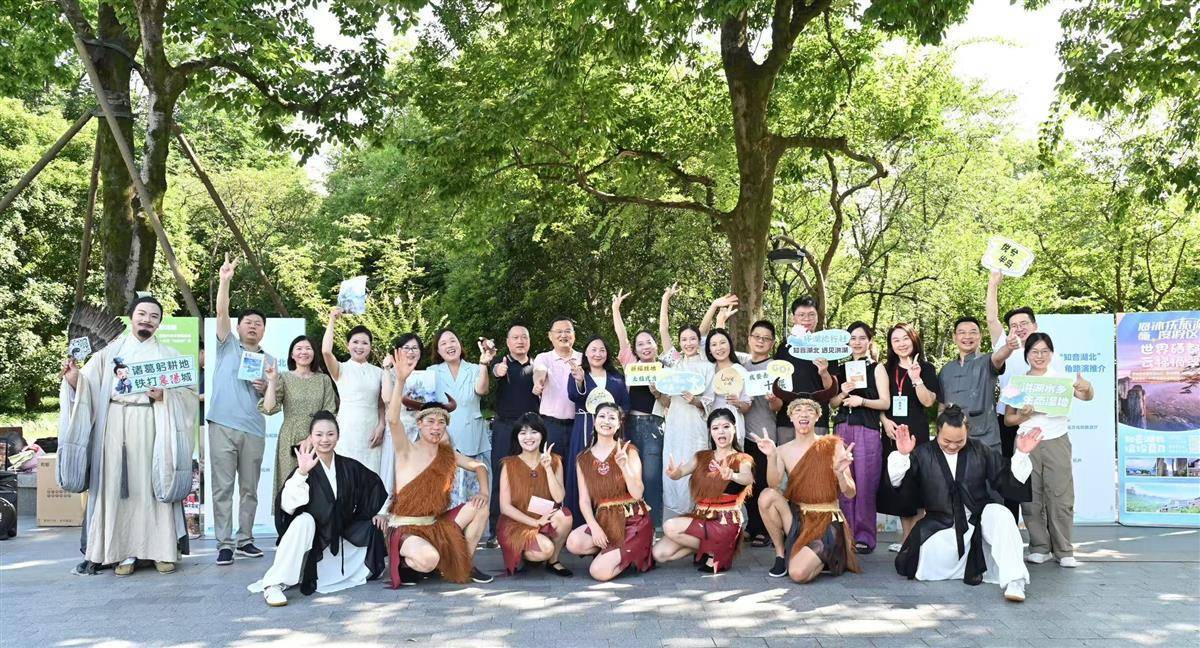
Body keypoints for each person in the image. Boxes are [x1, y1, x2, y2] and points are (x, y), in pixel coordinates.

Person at [58, 295, 198, 576]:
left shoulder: (169, 356)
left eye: (154, 316)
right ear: (132, 317)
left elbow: (189, 395)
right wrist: (73, 380)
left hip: (154, 425)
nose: (147, 320)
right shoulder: (108, 353)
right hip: (114, 425)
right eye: (142, 314)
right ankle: (122, 553)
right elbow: (87, 386)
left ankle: (161, 550)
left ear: (159, 323)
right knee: (116, 487)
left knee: (153, 485)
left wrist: (165, 396)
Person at [889, 405, 1043, 603]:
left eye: (959, 441)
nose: (953, 446)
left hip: (977, 521)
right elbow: (904, 490)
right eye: (946, 441)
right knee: (920, 565)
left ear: (967, 433)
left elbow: (1006, 481)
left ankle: (1015, 581)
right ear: (938, 432)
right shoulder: (923, 453)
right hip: (940, 525)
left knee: (1001, 514)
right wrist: (903, 456)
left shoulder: (980, 450)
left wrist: (1021, 454)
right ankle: (969, 568)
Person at [247, 411, 387, 606]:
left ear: (338, 436)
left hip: (337, 536)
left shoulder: (349, 466)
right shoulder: (304, 468)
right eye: (319, 434)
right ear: (311, 437)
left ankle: (317, 573)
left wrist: (376, 513)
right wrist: (302, 473)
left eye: (330, 434)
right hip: (310, 542)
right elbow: (287, 507)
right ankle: (274, 584)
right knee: (304, 521)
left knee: (371, 529)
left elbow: (373, 486)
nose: (325, 439)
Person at [384, 350, 492, 586]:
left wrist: (483, 492)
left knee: (481, 507)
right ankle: (407, 564)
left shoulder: (447, 454)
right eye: (430, 422)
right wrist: (400, 380)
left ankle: (465, 563)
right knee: (429, 560)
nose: (436, 427)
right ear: (419, 424)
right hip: (406, 526)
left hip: (435, 523)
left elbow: (479, 465)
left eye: (441, 422)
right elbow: (392, 420)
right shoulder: (406, 449)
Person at [1003, 333, 1093, 568]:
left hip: (1056, 440)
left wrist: (1087, 387)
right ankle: (1039, 546)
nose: (1039, 356)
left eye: (1044, 351)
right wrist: (1023, 416)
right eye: (1034, 351)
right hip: (1026, 443)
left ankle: (1064, 550)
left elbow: (1085, 396)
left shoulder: (1061, 380)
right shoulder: (1018, 382)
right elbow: (1008, 420)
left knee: (1060, 495)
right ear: (1027, 355)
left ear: (1051, 354)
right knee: (1030, 497)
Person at [208, 253, 272, 566]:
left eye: (258, 324)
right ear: (238, 326)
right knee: (222, 487)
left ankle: (245, 539)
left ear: (264, 331)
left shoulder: (269, 361)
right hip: (222, 424)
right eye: (248, 322)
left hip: (254, 429)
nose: (253, 326)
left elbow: (271, 402)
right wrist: (225, 281)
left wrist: (265, 386)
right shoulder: (227, 345)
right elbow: (221, 311)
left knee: (249, 489)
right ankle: (224, 543)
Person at [986, 271, 1066, 520]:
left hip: (1042, 423)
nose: (1019, 328)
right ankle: (1009, 527)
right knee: (1011, 476)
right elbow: (991, 319)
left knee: (1041, 480)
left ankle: (1043, 533)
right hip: (1009, 421)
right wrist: (993, 284)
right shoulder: (1005, 345)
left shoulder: (1047, 353)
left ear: (1035, 325)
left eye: (1024, 324)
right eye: (1014, 325)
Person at [753, 398, 859, 582]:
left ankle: (823, 555)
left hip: (826, 520)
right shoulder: (782, 450)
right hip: (798, 519)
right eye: (798, 410)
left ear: (817, 417)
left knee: (798, 573)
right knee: (766, 496)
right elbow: (773, 484)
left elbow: (851, 493)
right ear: (791, 417)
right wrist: (771, 457)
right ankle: (781, 555)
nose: (803, 413)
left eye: (809, 410)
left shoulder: (833, 446)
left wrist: (840, 474)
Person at [653, 409, 753, 573]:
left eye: (726, 427)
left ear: (734, 429)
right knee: (659, 554)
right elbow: (680, 472)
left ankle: (718, 548)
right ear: (710, 432)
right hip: (701, 518)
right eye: (715, 428)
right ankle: (715, 549)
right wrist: (674, 473)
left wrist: (733, 475)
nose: (721, 431)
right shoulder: (701, 457)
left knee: (670, 526)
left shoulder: (742, 459)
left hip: (724, 523)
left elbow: (747, 478)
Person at [565, 402, 654, 581]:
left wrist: (624, 466)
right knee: (574, 542)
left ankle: (636, 552)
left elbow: (638, 494)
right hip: (605, 520)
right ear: (594, 421)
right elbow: (584, 501)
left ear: (619, 424)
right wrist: (594, 527)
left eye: (612, 418)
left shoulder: (629, 451)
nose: (606, 421)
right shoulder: (583, 458)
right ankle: (613, 552)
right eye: (602, 416)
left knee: (598, 572)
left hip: (632, 521)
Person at [877, 324, 941, 552]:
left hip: (917, 432)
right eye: (896, 340)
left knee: (918, 484)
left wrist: (916, 379)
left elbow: (929, 401)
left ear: (914, 340)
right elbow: (881, 401)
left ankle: (917, 539)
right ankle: (906, 539)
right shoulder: (885, 369)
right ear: (890, 345)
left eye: (905, 338)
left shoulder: (926, 368)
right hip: (893, 432)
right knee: (901, 484)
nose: (901, 344)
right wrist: (884, 421)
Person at [828, 321, 890, 554]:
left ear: (869, 341)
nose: (857, 342)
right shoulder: (840, 368)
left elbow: (885, 402)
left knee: (865, 482)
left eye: (862, 338)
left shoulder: (877, 368)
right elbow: (832, 403)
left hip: (867, 429)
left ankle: (864, 536)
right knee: (844, 481)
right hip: (843, 427)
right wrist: (843, 392)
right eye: (852, 338)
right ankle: (845, 535)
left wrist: (861, 401)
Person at [658, 283, 715, 518]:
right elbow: (663, 331)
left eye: (693, 339)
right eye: (684, 339)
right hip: (675, 423)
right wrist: (666, 299)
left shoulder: (707, 366)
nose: (688, 343)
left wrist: (696, 400)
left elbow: (710, 400)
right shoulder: (674, 361)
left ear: (699, 341)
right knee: (673, 463)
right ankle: (676, 517)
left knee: (696, 463)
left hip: (696, 425)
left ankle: (699, 514)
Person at [612, 290, 666, 528]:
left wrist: (658, 393)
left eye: (649, 342)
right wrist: (616, 309)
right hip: (630, 425)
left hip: (655, 424)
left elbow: (669, 402)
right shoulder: (631, 365)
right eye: (640, 344)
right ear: (635, 349)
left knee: (652, 476)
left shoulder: (665, 367)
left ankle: (653, 525)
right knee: (630, 472)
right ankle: (632, 522)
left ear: (656, 345)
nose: (645, 347)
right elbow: (621, 337)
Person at [259, 335, 337, 501]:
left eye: (308, 348)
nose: (304, 352)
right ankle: (287, 516)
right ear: (292, 355)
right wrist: (272, 381)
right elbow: (269, 408)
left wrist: (312, 438)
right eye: (299, 349)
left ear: (314, 353)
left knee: (318, 487)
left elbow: (330, 412)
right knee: (290, 485)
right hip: (290, 436)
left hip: (319, 439)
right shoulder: (284, 378)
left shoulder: (323, 380)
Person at [496, 413, 573, 576]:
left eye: (534, 432)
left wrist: (547, 468)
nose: (528, 437)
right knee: (545, 550)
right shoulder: (509, 464)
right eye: (523, 433)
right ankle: (524, 554)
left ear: (542, 434)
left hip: (542, 515)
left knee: (565, 517)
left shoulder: (555, 460)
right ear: (517, 437)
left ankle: (553, 561)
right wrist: (535, 522)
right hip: (516, 522)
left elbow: (559, 498)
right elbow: (505, 507)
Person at [429, 329, 496, 513]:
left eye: (453, 341)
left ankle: (479, 527)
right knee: (448, 498)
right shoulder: (432, 372)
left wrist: (484, 364)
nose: (449, 346)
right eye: (443, 343)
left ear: (459, 344)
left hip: (473, 438)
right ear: (438, 350)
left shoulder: (474, 368)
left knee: (477, 497)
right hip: (444, 439)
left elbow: (482, 390)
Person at [487, 324, 541, 547]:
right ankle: (495, 531)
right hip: (505, 428)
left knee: (533, 478)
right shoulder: (501, 364)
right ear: (508, 342)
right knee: (501, 477)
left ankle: (534, 525)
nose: (520, 341)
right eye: (515, 337)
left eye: (524, 337)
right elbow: (494, 371)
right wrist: (497, 370)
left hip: (531, 431)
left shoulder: (537, 366)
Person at [566, 335, 630, 523]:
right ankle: (580, 522)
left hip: (611, 431)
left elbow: (625, 404)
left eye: (602, 350)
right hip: (585, 427)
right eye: (593, 350)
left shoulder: (616, 377)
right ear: (585, 353)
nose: (597, 354)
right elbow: (573, 396)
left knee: (611, 472)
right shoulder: (579, 373)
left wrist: (617, 417)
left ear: (607, 353)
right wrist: (579, 381)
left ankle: (611, 520)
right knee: (583, 472)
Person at [938, 316, 1017, 452]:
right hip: (954, 441)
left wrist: (1008, 347)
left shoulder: (987, 361)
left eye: (973, 332)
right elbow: (941, 406)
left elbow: (999, 357)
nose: (967, 336)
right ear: (954, 337)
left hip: (986, 440)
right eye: (962, 332)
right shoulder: (946, 370)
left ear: (980, 336)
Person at [322, 308, 385, 474]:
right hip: (347, 429)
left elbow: (381, 404)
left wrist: (381, 425)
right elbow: (326, 351)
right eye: (355, 342)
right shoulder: (340, 369)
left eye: (365, 343)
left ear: (370, 347)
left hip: (372, 432)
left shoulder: (379, 372)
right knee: (346, 476)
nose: (359, 346)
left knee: (371, 478)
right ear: (348, 345)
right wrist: (332, 320)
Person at [772, 297, 838, 438]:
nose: (806, 319)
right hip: (787, 420)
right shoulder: (784, 347)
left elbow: (832, 390)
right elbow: (776, 383)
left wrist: (824, 372)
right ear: (793, 318)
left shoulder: (827, 348)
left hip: (817, 419)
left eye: (811, 314)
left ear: (818, 317)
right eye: (801, 315)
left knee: (817, 453)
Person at [740, 319, 780, 547]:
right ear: (749, 339)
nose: (760, 341)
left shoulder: (775, 367)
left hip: (765, 434)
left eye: (766, 338)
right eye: (757, 337)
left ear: (772, 343)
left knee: (765, 483)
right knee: (748, 483)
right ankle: (753, 527)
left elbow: (779, 405)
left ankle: (766, 529)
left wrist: (773, 399)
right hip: (741, 434)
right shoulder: (741, 367)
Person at [533, 316, 582, 453]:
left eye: (567, 331)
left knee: (577, 464)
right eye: (559, 331)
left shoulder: (583, 358)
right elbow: (539, 371)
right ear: (550, 336)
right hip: (551, 426)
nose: (563, 335)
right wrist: (538, 382)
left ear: (574, 335)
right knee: (551, 464)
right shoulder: (543, 357)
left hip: (578, 424)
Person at [703, 327, 752, 444]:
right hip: (709, 427)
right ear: (709, 350)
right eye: (714, 344)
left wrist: (737, 403)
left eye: (723, 342)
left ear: (730, 344)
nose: (719, 348)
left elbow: (747, 405)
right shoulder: (707, 370)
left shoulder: (740, 371)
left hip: (732, 427)